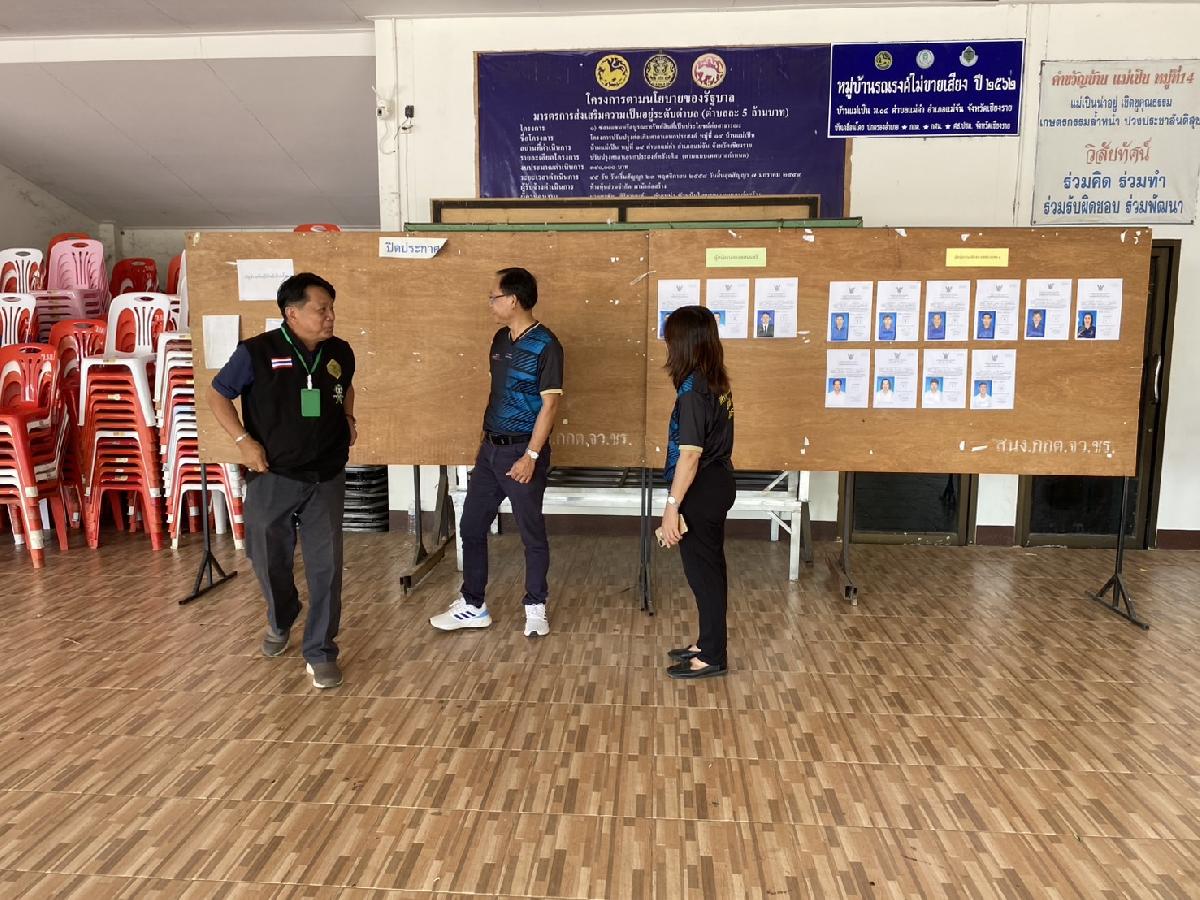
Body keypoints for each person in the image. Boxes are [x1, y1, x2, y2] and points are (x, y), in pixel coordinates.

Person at [209, 272, 356, 690]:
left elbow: (345, 387)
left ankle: (320, 651)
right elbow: (218, 394)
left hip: (326, 475)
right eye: (321, 309)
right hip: (272, 474)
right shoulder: (256, 352)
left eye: (331, 308)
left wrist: (348, 417)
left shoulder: (340, 351)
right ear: (291, 314)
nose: (330, 316)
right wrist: (244, 442)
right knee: (267, 559)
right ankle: (281, 615)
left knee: (327, 567)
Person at [431, 267, 564, 637]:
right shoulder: (500, 339)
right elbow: (499, 394)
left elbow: (550, 405)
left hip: (523, 452)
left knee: (530, 532)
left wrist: (531, 456)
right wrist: (485, 441)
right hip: (490, 451)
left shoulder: (547, 345)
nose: (490, 303)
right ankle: (473, 604)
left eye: (494, 297)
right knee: (471, 526)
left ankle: (535, 607)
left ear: (513, 300)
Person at [659, 306, 735, 679]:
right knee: (710, 570)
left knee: (703, 574)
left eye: (671, 337)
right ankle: (708, 643)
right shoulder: (714, 380)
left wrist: (671, 507)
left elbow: (690, 455)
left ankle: (713, 656)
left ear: (684, 342)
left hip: (701, 487)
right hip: (718, 481)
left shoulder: (692, 390)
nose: (667, 344)